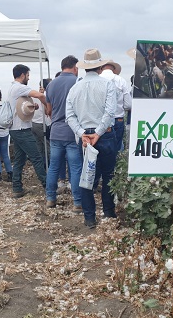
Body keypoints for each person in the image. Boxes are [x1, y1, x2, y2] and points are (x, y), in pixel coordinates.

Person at [66, 49, 117, 229]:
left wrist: (82, 133)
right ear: (100, 66)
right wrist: (99, 132)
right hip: (104, 134)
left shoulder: (74, 88)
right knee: (108, 174)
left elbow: (69, 116)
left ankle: (89, 218)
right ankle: (109, 212)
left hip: (85, 137)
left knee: (87, 176)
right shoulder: (107, 85)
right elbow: (110, 111)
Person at [44, 55, 82, 212]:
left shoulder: (51, 85)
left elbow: (49, 111)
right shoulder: (77, 83)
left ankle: (50, 199)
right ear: (75, 67)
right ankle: (78, 202)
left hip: (55, 131)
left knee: (53, 167)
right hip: (72, 132)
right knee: (75, 167)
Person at [7, 64, 47, 198]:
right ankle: (48, 186)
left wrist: (32, 106)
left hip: (15, 129)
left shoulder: (13, 87)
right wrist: (46, 101)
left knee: (19, 159)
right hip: (22, 130)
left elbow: (22, 106)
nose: (29, 78)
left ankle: (17, 188)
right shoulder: (20, 87)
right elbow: (37, 95)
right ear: (23, 75)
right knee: (37, 157)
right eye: (28, 75)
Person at [99, 60, 132, 151]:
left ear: (101, 68)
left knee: (101, 150)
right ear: (114, 69)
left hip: (100, 120)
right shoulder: (121, 80)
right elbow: (128, 105)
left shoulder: (98, 79)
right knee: (117, 150)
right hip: (118, 119)